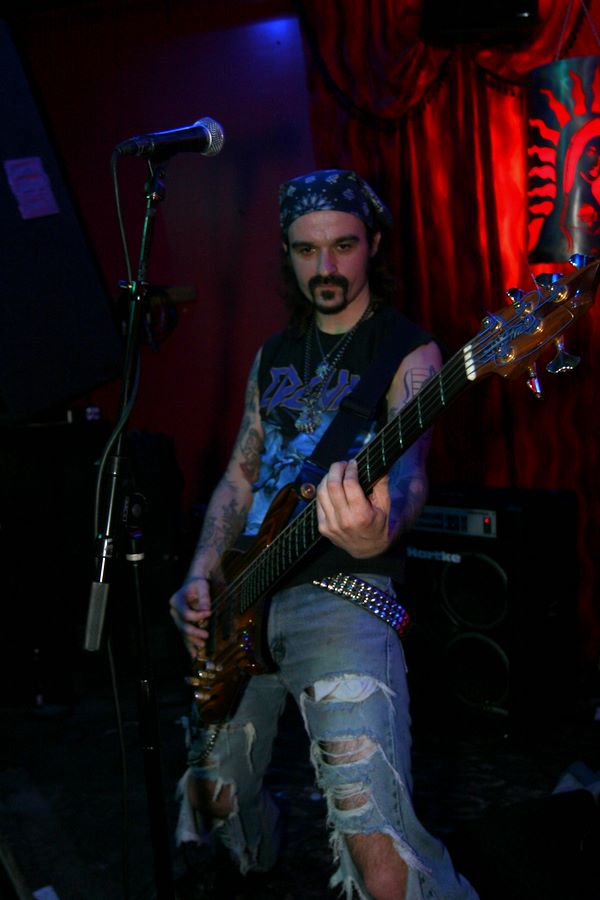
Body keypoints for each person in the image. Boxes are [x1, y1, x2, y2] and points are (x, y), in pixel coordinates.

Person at [169, 169, 478, 899]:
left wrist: (380, 531)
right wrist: (200, 573)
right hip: (243, 594)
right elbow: (240, 475)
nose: (326, 267)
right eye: (307, 250)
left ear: (374, 244)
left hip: (342, 589)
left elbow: (410, 476)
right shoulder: (273, 354)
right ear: (288, 252)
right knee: (211, 804)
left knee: (379, 853)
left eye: (343, 245)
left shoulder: (408, 352)